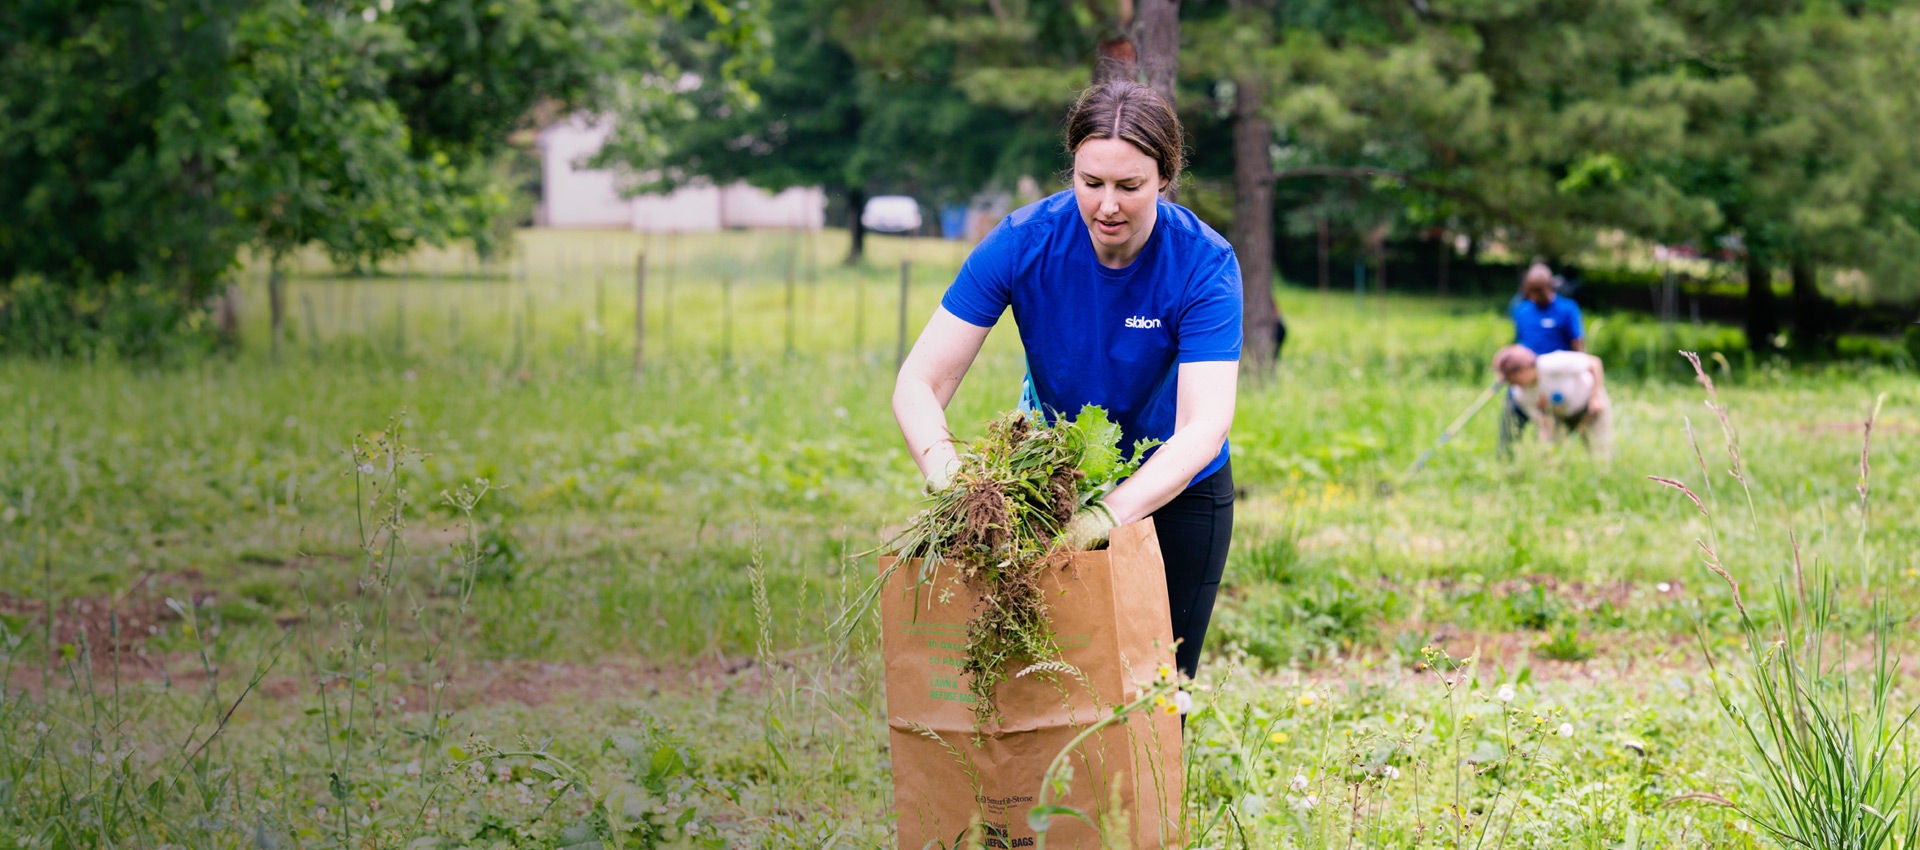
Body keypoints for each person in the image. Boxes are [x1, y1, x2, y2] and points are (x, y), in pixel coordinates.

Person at [892, 79, 1242, 680]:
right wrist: (953, 481)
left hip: (1182, 488)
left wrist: (1107, 518)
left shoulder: (1204, 263)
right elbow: (918, 382)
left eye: (1129, 187)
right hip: (1056, 485)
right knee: (1049, 682)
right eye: (1091, 183)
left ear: (1164, 177)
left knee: (1159, 688)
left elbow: (1202, 428)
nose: (1107, 205)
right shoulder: (1023, 242)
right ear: (1072, 171)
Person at [1501, 263, 1587, 456]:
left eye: (1540, 291)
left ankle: (1554, 463)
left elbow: (1578, 347)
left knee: (1553, 433)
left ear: (1551, 287)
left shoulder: (1567, 309)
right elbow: (1518, 343)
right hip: (1525, 378)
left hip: (1556, 380)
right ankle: (1506, 461)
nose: (1536, 297)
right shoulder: (1521, 310)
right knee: (1510, 417)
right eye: (1531, 292)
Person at [1492, 344, 1613, 459]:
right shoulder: (1519, 393)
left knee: (1599, 453)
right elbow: (1543, 421)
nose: (1513, 383)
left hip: (1590, 407)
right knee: (1550, 455)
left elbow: (1594, 363)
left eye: (1513, 377)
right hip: (1559, 415)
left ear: (1524, 369)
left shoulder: (1553, 363)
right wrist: (1546, 445)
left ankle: (1603, 475)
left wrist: (1595, 397)